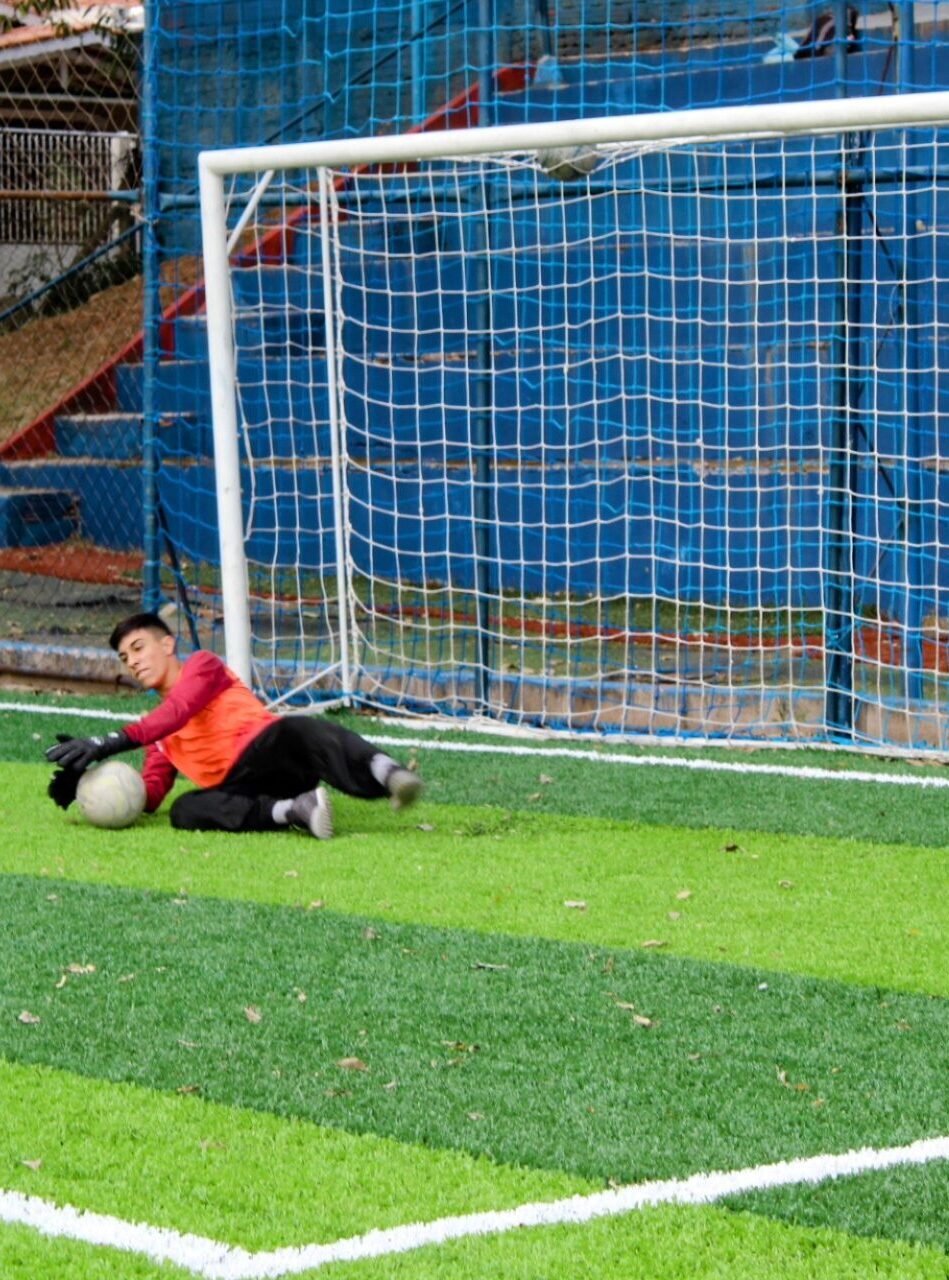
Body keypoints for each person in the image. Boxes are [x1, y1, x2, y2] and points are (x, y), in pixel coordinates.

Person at [44, 612, 422, 838]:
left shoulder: (202, 666)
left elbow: (178, 710)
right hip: (244, 786)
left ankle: (387, 773)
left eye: (139, 648)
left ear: (167, 644)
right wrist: (88, 785)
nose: (133, 662)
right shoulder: (158, 739)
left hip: (272, 749)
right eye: (126, 658)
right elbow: (150, 796)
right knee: (184, 811)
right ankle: (296, 810)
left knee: (299, 728)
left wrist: (109, 741)